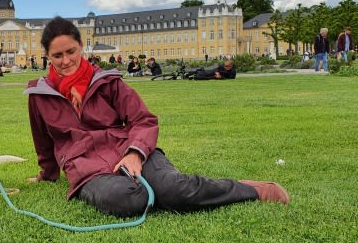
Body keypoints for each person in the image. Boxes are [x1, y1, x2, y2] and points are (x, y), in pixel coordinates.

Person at [24, 17, 289, 218]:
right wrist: (47, 174)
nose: (66, 60)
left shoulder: (107, 82)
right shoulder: (40, 94)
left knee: (175, 190)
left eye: (71, 51)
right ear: (47, 56)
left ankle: (251, 189)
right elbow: (43, 141)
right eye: (57, 55)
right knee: (128, 200)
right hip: (86, 168)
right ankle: (150, 189)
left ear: (81, 47)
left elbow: (144, 120)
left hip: (127, 147)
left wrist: (136, 153)